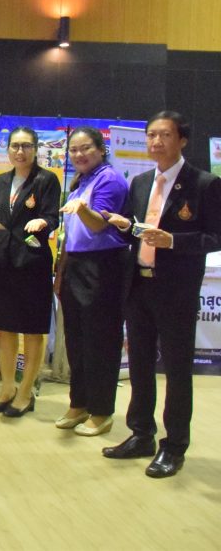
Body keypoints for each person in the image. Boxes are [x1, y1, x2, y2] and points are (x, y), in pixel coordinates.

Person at [102, 112, 221, 478]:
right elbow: (134, 232)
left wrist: (173, 241)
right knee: (139, 364)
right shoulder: (140, 182)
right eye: (151, 135)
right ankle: (141, 434)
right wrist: (123, 226)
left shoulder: (204, 184)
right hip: (138, 284)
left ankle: (175, 445)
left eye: (164, 135)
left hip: (176, 290)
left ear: (182, 140)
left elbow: (215, 237)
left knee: (176, 369)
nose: (156, 142)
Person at [0, 127, 61, 418]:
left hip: (32, 263)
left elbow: (52, 217)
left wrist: (43, 222)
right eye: (15, 145)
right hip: (2, 262)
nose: (20, 151)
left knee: (32, 330)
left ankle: (26, 392)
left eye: (26, 145)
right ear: (7, 149)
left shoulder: (46, 179)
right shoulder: (0, 181)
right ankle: (7, 389)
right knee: (5, 328)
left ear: (36, 149)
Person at [55, 127, 129, 436]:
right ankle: (79, 403)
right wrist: (61, 271)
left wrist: (83, 210)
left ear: (101, 149)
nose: (79, 154)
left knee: (100, 341)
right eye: (73, 150)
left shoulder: (109, 179)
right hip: (76, 265)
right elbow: (71, 234)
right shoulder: (80, 181)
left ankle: (101, 411)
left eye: (85, 148)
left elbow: (99, 225)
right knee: (76, 339)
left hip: (102, 267)